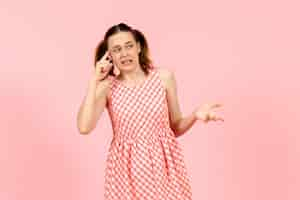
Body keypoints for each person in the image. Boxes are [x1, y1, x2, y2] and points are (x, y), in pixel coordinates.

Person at [77, 22, 224, 200]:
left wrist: (195, 115)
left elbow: (175, 127)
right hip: (126, 172)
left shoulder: (164, 78)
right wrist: (94, 80)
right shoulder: (107, 88)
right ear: (109, 57)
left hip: (165, 167)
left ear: (138, 47)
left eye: (128, 46)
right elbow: (84, 127)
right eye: (116, 50)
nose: (124, 54)